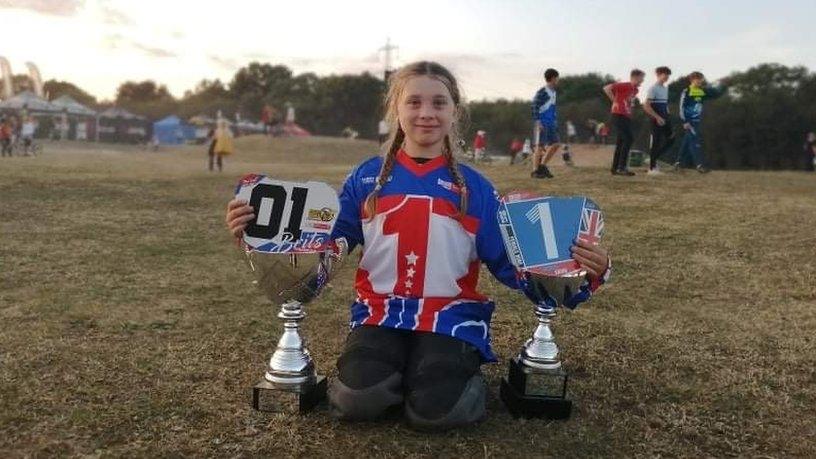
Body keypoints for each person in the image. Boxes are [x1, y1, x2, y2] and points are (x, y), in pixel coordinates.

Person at [225, 61, 611, 430]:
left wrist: (579, 273)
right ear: (396, 109)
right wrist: (260, 231)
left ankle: (440, 369)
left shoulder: (476, 189)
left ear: (455, 112)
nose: (426, 112)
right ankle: (400, 365)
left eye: (438, 103)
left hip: (451, 317)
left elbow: (510, 264)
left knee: (439, 412)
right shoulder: (366, 178)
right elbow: (328, 243)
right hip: (379, 313)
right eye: (414, 101)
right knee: (356, 401)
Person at [677, 71, 725, 173]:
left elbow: (715, 94)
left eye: (701, 80)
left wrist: (722, 85)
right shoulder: (686, 91)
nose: (700, 82)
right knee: (695, 142)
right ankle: (700, 165)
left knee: (687, 142)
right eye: (698, 80)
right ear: (692, 80)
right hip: (689, 122)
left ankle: (678, 163)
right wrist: (685, 121)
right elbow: (681, 108)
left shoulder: (702, 91)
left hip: (697, 121)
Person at [604, 69, 646, 176]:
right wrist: (614, 101)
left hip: (626, 116)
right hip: (618, 115)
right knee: (628, 139)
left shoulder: (635, 90)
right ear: (635, 77)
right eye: (641, 78)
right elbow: (607, 88)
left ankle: (615, 168)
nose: (643, 81)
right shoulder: (625, 85)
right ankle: (622, 167)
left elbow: (627, 102)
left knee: (621, 141)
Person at [642, 67, 674, 175]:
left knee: (671, 139)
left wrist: (667, 114)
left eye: (668, 75)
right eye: (665, 74)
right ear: (658, 75)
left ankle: (653, 158)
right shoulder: (653, 88)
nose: (667, 77)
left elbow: (664, 104)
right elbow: (646, 106)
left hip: (665, 118)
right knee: (656, 142)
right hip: (656, 120)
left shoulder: (665, 89)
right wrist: (657, 117)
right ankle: (652, 168)